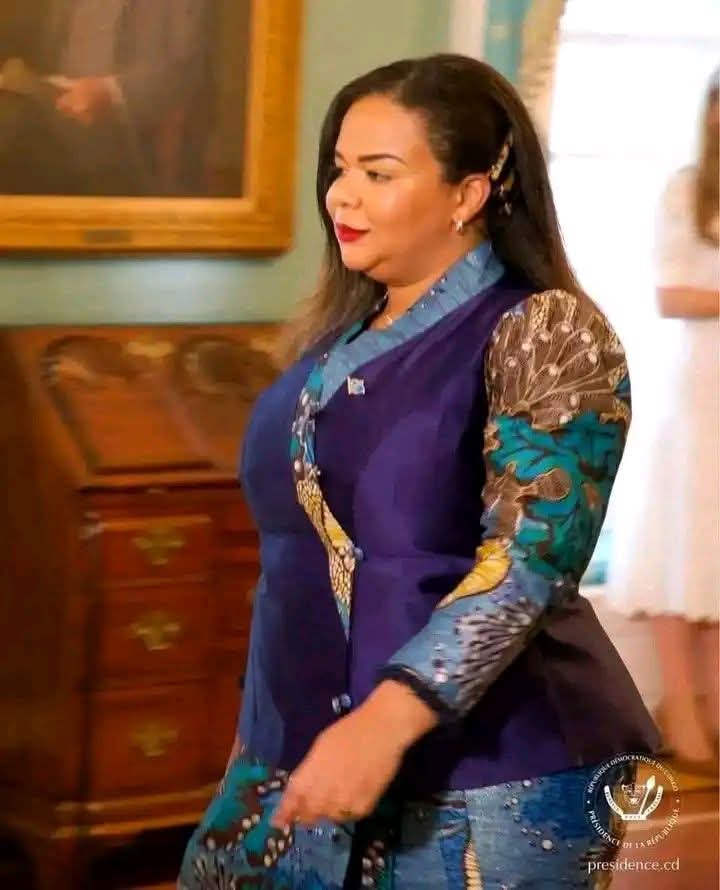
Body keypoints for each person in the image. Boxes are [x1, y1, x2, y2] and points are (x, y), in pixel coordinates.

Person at [178, 55, 661, 889]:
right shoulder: (334, 343)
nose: (342, 195)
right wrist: (256, 745)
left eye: (378, 173)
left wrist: (381, 726)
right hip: (299, 756)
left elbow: (530, 566)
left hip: (495, 773)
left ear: (468, 194)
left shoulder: (547, 331)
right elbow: (295, 570)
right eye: (339, 169)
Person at [607, 72, 719, 775]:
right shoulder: (686, 190)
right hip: (700, 385)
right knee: (682, 537)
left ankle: (714, 702)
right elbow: (670, 294)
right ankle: (678, 705)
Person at [0, 0, 211, 195]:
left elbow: (186, 70)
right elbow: (36, 40)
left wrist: (111, 92)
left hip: (129, 139)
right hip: (52, 118)